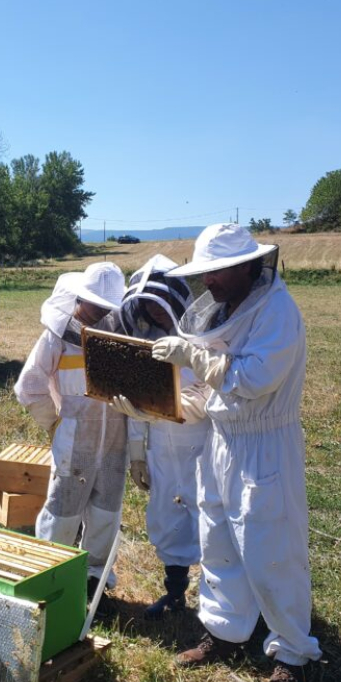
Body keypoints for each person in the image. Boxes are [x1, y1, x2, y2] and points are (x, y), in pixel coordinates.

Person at [151, 223, 321, 682]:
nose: (209, 283)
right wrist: (155, 406)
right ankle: (225, 633)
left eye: (218, 272)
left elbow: (253, 379)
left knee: (273, 550)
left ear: (249, 265)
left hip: (267, 444)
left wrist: (192, 356)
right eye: (204, 273)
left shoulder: (278, 312)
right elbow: (213, 399)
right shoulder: (226, 312)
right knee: (218, 540)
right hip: (223, 443)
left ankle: (292, 656)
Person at [14, 262, 127, 606]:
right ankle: (53, 574)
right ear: (79, 298)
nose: (100, 312)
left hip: (114, 440)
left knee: (107, 511)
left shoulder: (117, 331)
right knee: (63, 510)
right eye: (94, 304)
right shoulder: (56, 336)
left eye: (106, 306)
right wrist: (55, 423)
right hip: (75, 439)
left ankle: (94, 579)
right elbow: (29, 386)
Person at [112, 255, 211, 619]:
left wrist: (161, 408)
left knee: (209, 521)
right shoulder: (145, 341)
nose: (153, 313)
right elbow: (136, 402)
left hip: (201, 446)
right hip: (161, 450)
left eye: (159, 305)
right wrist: (137, 453)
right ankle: (174, 594)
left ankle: (218, 604)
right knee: (167, 520)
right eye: (147, 306)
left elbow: (208, 398)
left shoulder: (204, 342)